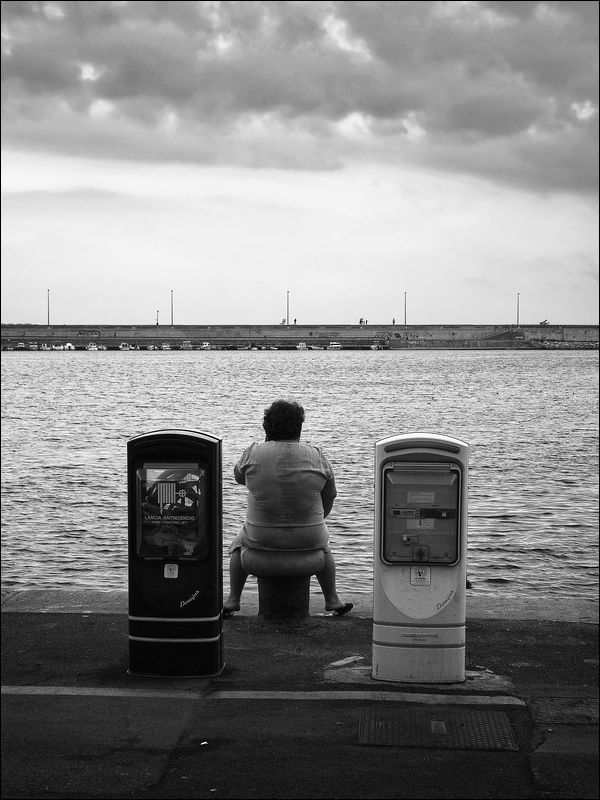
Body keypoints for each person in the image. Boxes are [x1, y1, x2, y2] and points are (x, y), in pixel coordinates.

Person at [224, 399, 353, 617]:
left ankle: (233, 599)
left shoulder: (253, 452)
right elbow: (330, 494)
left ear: (266, 428)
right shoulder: (316, 455)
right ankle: (332, 599)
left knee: (237, 545)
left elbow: (238, 477)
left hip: (260, 539)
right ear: (299, 428)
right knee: (325, 547)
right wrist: (318, 518)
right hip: (309, 539)